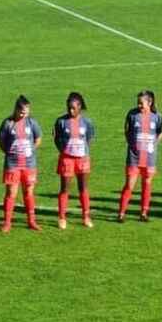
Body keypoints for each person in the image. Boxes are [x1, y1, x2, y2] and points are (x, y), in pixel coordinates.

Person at [0, 95, 43, 232]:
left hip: (29, 164)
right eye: (22, 112)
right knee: (11, 193)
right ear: (16, 109)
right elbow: (1, 141)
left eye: (27, 112)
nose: (24, 115)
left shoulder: (32, 123)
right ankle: (7, 222)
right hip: (13, 164)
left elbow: (38, 138)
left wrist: (31, 150)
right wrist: (10, 152)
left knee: (28, 192)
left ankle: (31, 221)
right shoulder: (8, 123)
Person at [118, 90, 162, 223]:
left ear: (149, 102)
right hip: (134, 157)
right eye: (138, 103)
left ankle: (144, 213)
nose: (138, 105)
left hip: (149, 158)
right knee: (129, 185)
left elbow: (160, 132)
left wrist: (154, 145)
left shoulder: (157, 116)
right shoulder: (132, 115)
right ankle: (121, 213)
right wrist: (131, 144)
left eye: (141, 103)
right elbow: (127, 130)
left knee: (147, 184)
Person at [54, 92, 96, 229]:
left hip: (83, 159)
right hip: (67, 159)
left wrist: (81, 151)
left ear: (80, 107)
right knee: (64, 188)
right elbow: (57, 139)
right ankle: (62, 218)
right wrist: (65, 151)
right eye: (69, 108)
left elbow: (89, 138)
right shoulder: (61, 122)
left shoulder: (87, 122)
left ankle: (86, 217)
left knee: (83, 187)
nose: (70, 111)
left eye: (73, 108)